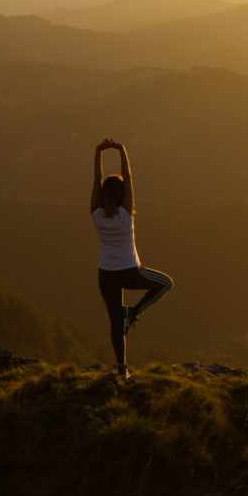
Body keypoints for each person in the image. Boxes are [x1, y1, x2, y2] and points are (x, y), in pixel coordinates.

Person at [90, 138, 173, 380]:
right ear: (121, 195)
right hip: (130, 271)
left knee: (115, 323)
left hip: (105, 275)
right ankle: (134, 312)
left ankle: (121, 368)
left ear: (104, 194)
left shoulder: (95, 214)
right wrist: (121, 150)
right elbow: (129, 177)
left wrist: (98, 153)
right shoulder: (126, 214)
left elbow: (96, 180)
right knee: (166, 284)